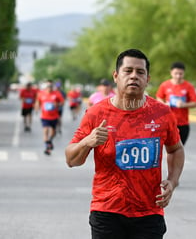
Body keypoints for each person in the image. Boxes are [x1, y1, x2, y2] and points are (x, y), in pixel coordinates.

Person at [65, 49, 185, 239]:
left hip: (149, 212)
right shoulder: (96, 114)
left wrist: (173, 180)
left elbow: (176, 149)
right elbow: (71, 160)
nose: (134, 76)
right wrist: (87, 142)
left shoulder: (162, 113)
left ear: (147, 79)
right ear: (116, 76)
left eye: (140, 72)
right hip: (107, 210)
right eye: (127, 71)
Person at [156, 62, 196, 145]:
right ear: (171, 73)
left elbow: (195, 103)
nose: (178, 76)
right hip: (168, 123)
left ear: (183, 73)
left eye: (180, 74)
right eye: (176, 73)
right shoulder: (165, 85)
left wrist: (184, 105)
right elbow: (158, 98)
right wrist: (164, 104)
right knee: (168, 148)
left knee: (179, 148)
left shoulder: (188, 86)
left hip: (183, 124)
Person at [35, 80, 65, 155]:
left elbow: (62, 102)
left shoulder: (57, 94)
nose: (50, 88)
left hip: (54, 116)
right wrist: (37, 108)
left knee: (53, 132)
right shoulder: (41, 94)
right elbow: (38, 102)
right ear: (46, 87)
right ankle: (47, 147)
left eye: (51, 86)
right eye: (48, 86)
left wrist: (57, 105)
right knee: (45, 131)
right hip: (44, 116)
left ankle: (50, 140)